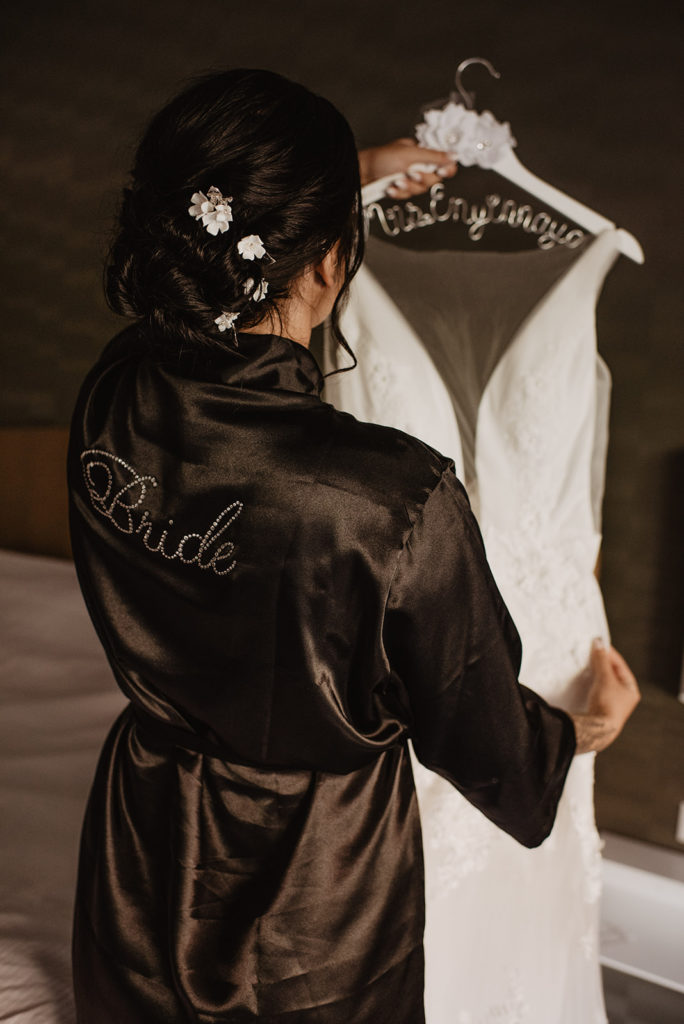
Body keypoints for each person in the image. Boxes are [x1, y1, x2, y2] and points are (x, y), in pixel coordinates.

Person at [67, 68, 639, 1024]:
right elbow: (483, 734)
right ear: (331, 264)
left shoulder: (114, 392)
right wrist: (584, 727)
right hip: (310, 902)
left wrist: (343, 180)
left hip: (141, 862)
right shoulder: (389, 497)